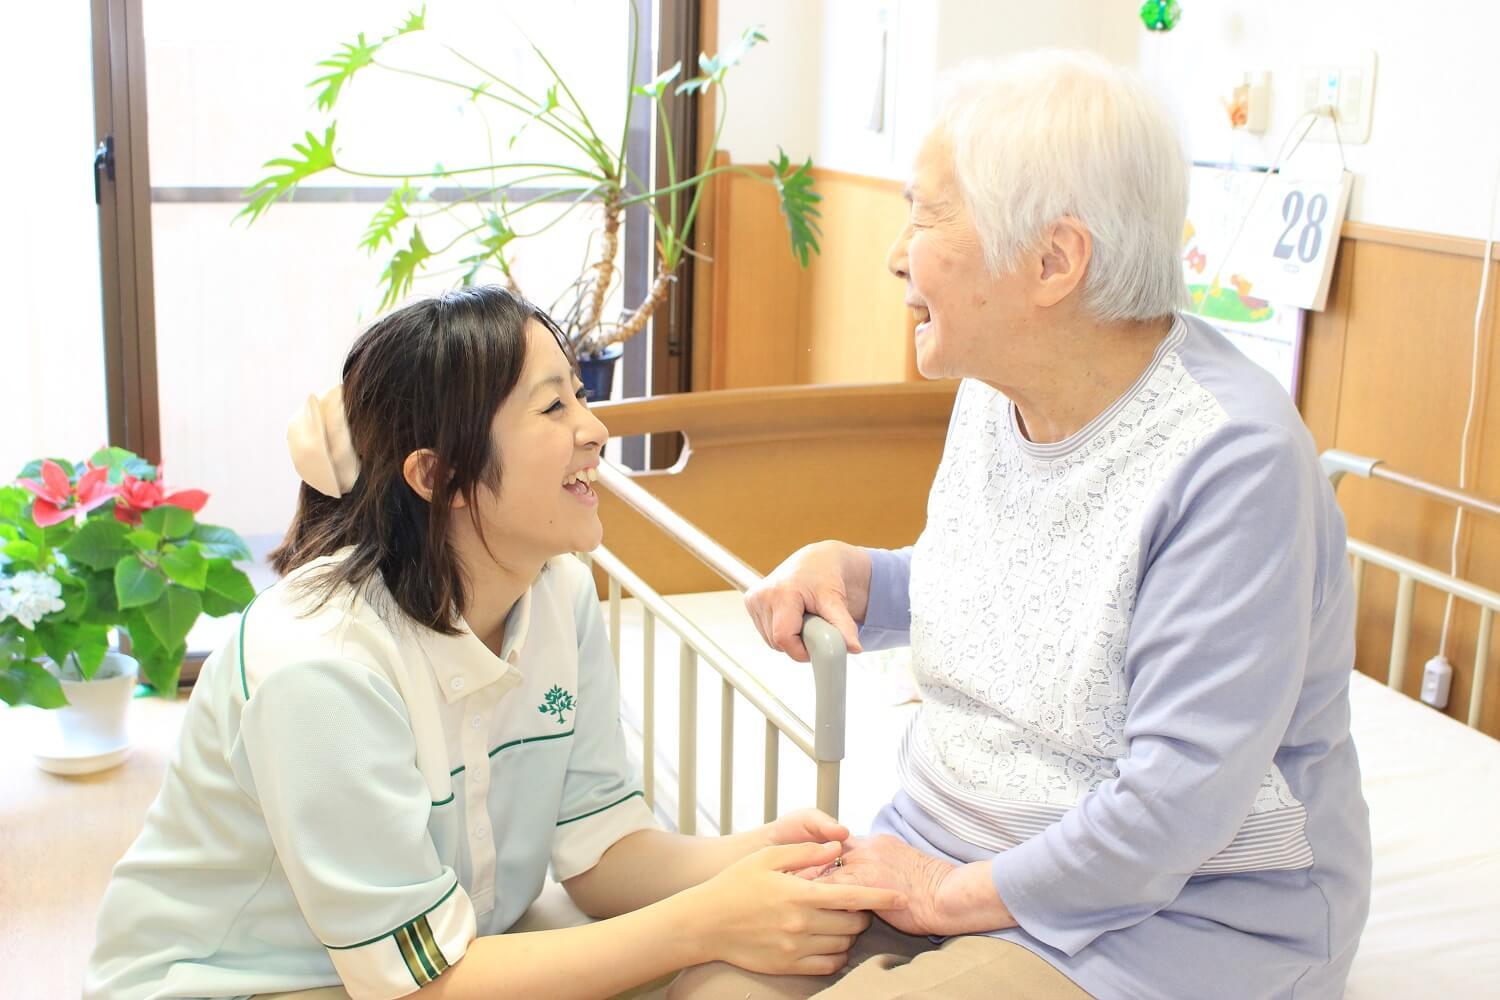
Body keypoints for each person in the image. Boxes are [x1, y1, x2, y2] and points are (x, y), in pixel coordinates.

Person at [674, 50, 1371, 1000]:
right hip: (951, 849)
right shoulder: (1000, 387)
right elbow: (1023, 591)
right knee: (713, 981)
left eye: (925, 214)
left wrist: (950, 896)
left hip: (1174, 916)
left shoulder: (1231, 461)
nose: (894, 253)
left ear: (1053, 261)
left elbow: (1174, 805)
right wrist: (863, 577)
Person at [85, 286, 904, 1000]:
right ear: (435, 475)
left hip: (444, 956)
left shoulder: (559, 593)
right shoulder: (321, 665)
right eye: (554, 408)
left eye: (578, 396)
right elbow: (420, 985)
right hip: (244, 981)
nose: (594, 430)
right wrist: (704, 923)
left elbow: (599, 850)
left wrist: (747, 857)